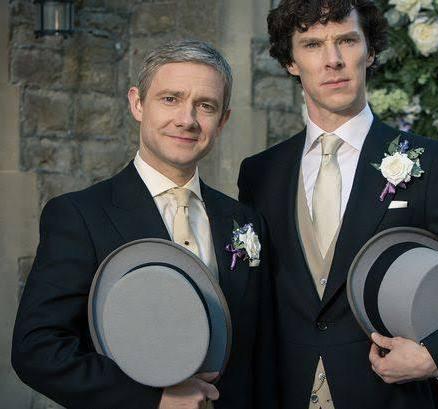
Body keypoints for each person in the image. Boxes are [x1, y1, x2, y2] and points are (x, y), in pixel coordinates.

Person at [237, 1, 438, 409]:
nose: (333, 60)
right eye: (312, 45)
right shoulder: (260, 173)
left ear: (370, 51)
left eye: (347, 41)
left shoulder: (428, 164)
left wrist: (437, 354)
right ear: (290, 62)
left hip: (387, 397)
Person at [12, 40, 276, 409]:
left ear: (223, 121)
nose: (187, 119)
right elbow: (37, 350)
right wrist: (152, 398)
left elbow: (262, 352)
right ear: (137, 104)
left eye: (206, 105)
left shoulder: (244, 221)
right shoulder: (79, 216)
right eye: (170, 99)